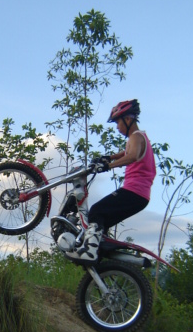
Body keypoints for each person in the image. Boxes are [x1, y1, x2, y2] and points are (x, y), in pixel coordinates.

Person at [66, 99, 156, 263]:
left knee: (96, 211)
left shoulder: (136, 137)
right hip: (140, 196)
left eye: (117, 122)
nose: (117, 127)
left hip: (134, 192)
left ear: (128, 119)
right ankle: (101, 255)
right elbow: (126, 152)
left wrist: (108, 166)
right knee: (102, 223)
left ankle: (90, 252)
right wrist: (109, 157)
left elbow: (132, 156)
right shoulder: (139, 138)